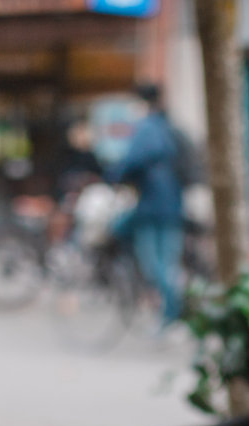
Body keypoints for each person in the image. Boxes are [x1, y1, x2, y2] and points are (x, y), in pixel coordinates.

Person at [108, 84, 185, 326]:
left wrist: (113, 176)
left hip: (152, 206)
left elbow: (132, 160)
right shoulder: (165, 126)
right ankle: (173, 309)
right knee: (167, 263)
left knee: (155, 264)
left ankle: (171, 312)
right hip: (171, 203)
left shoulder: (147, 128)